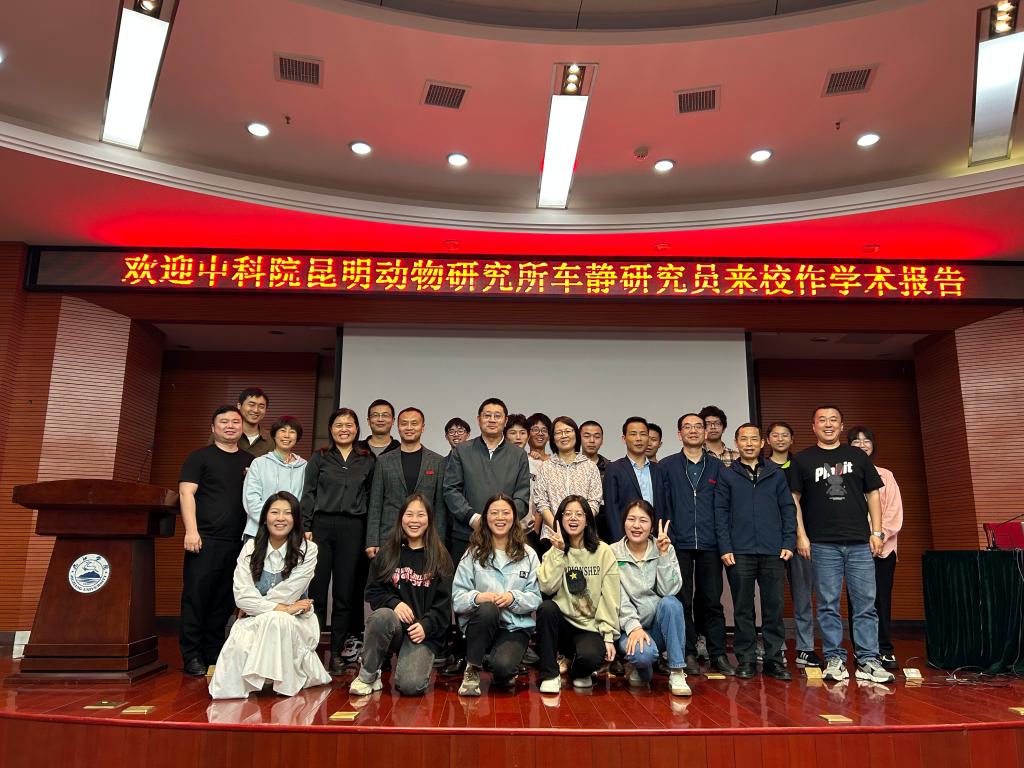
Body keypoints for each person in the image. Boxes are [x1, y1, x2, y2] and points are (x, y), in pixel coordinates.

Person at [790, 406, 894, 684]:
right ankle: (834, 658)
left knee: (866, 605)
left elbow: (873, 494)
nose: (828, 424)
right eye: (822, 420)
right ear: (813, 426)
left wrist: (877, 532)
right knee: (828, 604)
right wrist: (801, 535)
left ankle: (868, 660)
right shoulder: (803, 459)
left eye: (833, 420)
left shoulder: (857, 456)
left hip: (860, 542)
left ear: (841, 425)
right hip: (822, 544)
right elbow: (794, 499)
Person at [209, 492, 331, 699]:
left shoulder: (308, 550)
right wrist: (283, 608)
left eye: (287, 513)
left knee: (278, 620)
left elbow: (290, 592)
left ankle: (281, 684)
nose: (280, 518)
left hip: (295, 620)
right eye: (274, 512)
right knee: (257, 631)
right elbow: (242, 596)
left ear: (296, 519)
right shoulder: (250, 547)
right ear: (265, 517)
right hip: (257, 618)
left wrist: (259, 607)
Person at [442, 398, 531, 673]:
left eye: (497, 415)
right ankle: (463, 652)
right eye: (487, 415)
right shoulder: (462, 451)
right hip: (466, 534)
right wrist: (474, 518)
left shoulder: (518, 455)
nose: (492, 420)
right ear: (479, 419)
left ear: (505, 421)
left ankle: (504, 648)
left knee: (503, 595)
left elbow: (522, 497)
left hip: (506, 537)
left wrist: (501, 520)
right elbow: (451, 490)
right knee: (465, 593)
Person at [350, 494, 454, 696]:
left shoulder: (441, 557)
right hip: (394, 628)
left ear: (429, 519)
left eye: (420, 515)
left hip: (422, 634)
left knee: (411, 686)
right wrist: (394, 603)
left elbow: (444, 605)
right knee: (382, 616)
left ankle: (408, 664)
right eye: (409, 514)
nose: (414, 521)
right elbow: (372, 590)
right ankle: (368, 675)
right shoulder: (387, 553)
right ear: (401, 518)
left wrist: (426, 626)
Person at [715, 423, 796, 681]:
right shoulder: (727, 475)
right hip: (739, 551)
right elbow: (720, 513)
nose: (749, 444)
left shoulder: (775, 473)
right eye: (744, 439)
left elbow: (788, 509)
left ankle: (774, 660)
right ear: (736, 443)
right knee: (743, 608)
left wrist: (789, 542)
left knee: (774, 607)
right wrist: (725, 547)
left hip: (774, 550)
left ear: (762, 443)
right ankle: (746, 659)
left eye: (753, 439)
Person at [179, 405, 254, 676]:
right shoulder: (199, 457)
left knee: (224, 600)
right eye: (224, 422)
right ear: (213, 427)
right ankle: (191, 656)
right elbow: (186, 493)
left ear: (242, 428)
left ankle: (212, 654)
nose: (230, 426)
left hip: (238, 542)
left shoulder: (250, 461)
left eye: (235, 422)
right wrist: (191, 531)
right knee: (196, 598)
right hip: (204, 539)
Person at [301, 407, 376, 675]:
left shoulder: (367, 459)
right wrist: (306, 526)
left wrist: (370, 536)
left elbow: (372, 499)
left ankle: (336, 654)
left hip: (353, 528)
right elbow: (308, 493)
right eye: (338, 425)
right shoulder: (320, 457)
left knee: (345, 594)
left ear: (357, 429)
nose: (344, 429)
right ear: (331, 429)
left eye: (349, 425)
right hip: (321, 528)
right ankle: (311, 652)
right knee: (317, 592)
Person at [660, 413, 734, 676]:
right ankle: (687, 652)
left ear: (705, 432)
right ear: (679, 434)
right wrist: (667, 536)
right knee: (682, 600)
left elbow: (725, 506)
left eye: (698, 426)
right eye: (687, 427)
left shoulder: (718, 467)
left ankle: (718, 653)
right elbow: (662, 504)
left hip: (710, 542)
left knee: (711, 601)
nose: (693, 431)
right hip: (677, 542)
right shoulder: (666, 466)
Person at [452, 493, 541, 696]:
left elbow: (535, 598)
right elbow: (457, 599)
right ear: (485, 518)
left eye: (505, 513)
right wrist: (478, 597)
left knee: (503, 669)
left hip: (514, 627)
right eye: (494, 513)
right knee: (487, 609)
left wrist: (513, 598)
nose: (500, 518)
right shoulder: (472, 554)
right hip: (480, 626)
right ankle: (472, 669)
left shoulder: (529, 555)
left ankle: (501, 661)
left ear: (514, 517)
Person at [536, 496, 620, 693]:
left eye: (579, 514)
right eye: (567, 514)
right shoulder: (554, 550)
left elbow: (610, 597)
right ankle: (550, 675)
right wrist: (558, 552)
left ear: (587, 520)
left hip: (590, 626)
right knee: (546, 608)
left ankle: (575, 667)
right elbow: (546, 587)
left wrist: (608, 635)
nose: (573, 518)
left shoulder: (603, 551)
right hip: (563, 625)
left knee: (590, 660)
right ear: (560, 520)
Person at [611, 500, 690, 695]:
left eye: (643, 521)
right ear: (624, 523)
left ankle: (677, 672)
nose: (636, 525)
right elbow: (616, 597)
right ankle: (641, 667)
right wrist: (634, 627)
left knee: (672, 603)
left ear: (652, 526)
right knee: (643, 656)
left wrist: (663, 555)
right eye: (631, 519)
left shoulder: (665, 548)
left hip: (657, 628)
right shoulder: (612, 553)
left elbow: (669, 590)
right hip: (628, 629)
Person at [847, 426, 904, 670]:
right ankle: (862, 650)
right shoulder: (845, 476)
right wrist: (862, 538)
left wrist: (878, 536)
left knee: (881, 600)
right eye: (856, 441)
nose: (862, 445)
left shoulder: (885, 475)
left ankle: (885, 649)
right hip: (855, 547)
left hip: (883, 548)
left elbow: (894, 511)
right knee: (857, 602)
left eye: (866, 440)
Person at [766, 421, 821, 669]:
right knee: (773, 599)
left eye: (785, 435)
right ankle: (775, 647)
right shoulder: (762, 467)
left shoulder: (801, 465)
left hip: (801, 540)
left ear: (792, 439)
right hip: (771, 542)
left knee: (803, 596)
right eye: (775, 435)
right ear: (767, 440)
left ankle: (805, 648)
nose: (780, 439)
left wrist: (801, 536)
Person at [366, 406, 447, 559]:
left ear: (422, 427)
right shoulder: (383, 461)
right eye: (404, 423)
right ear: (398, 427)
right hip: (389, 536)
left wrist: (440, 543)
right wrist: (372, 540)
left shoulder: (437, 462)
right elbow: (375, 503)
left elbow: (440, 508)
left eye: (414, 423)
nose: (409, 428)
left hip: (426, 537)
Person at [534, 416, 603, 542]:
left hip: (584, 537)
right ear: (552, 438)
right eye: (558, 432)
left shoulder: (590, 467)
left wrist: (579, 526)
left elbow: (594, 501)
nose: (563, 435)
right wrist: (558, 528)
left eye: (567, 431)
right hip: (552, 537)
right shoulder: (545, 467)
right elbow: (541, 502)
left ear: (576, 435)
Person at [602, 417, 669, 544]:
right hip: (626, 540)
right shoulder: (614, 469)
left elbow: (666, 507)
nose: (638, 438)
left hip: (656, 540)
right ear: (624, 438)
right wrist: (621, 543)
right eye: (633, 434)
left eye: (643, 434)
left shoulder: (659, 470)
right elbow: (612, 511)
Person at [242, 416, 307, 541]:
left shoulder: (304, 466)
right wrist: (273, 521)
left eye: (292, 432)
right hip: (258, 531)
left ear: (297, 437)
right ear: (274, 435)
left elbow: (305, 501)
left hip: (291, 533)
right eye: (282, 431)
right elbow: (251, 499)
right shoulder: (259, 463)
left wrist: (287, 523)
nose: (287, 435)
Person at [236, 387, 273, 457]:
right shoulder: (223, 435)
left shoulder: (273, 440)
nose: (256, 410)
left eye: (261, 407)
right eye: (251, 405)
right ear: (239, 406)